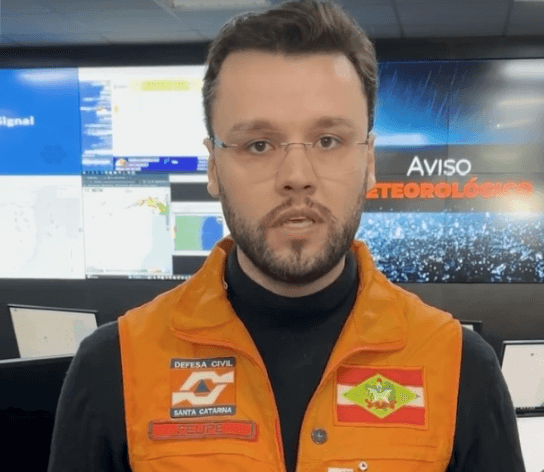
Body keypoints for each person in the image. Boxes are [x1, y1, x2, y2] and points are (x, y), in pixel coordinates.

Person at [47, 1, 526, 471]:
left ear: (368, 161)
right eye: (259, 144)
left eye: (328, 141)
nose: (297, 176)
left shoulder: (461, 368)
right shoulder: (114, 366)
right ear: (213, 167)